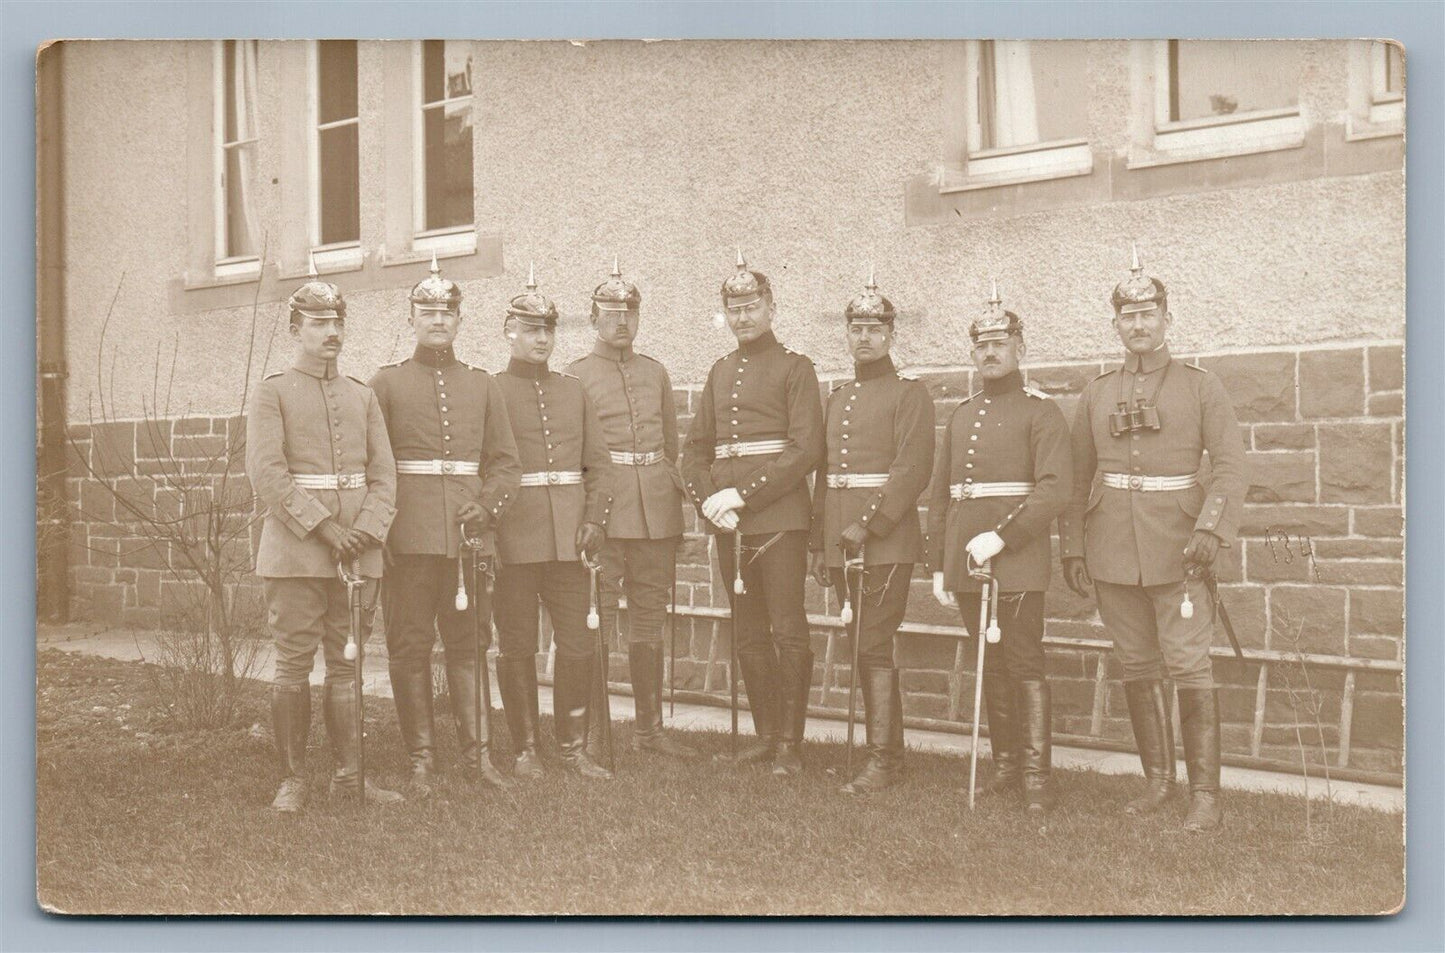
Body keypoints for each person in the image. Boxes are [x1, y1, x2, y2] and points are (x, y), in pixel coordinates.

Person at [1058, 246, 1249, 832]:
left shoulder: (1199, 386)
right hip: (1112, 544)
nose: (1138, 325)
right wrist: (1072, 546)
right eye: (1127, 316)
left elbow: (1232, 466)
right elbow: (1074, 474)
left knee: (1189, 665)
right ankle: (1158, 783)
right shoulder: (1096, 392)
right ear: (1115, 323)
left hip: (1180, 546)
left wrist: (1211, 530)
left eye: (1149, 314)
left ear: (1167, 318)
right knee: (1138, 665)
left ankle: (1206, 795)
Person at [246, 273, 402, 812]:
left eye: (337, 322)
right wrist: (324, 527)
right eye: (318, 323)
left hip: (359, 553)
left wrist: (368, 530)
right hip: (296, 551)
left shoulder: (362, 395)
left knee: (349, 663)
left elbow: (385, 474)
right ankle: (293, 779)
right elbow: (267, 473)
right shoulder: (273, 392)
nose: (331, 332)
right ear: (296, 329)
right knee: (293, 664)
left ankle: (350, 777)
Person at [369, 255, 522, 795]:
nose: (437, 320)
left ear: (460, 321)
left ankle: (479, 758)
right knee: (408, 646)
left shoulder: (482, 385)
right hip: (407, 539)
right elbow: (374, 466)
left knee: (471, 645)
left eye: (447, 312)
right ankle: (421, 761)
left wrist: (487, 507)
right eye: (427, 310)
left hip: (467, 539)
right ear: (410, 318)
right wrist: (380, 530)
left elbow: (505, 462)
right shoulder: (385, 384)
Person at [928, 282, 1071, 814]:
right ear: (972, 352)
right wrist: (941, 568)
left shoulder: (1042, 412)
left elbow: (1055, 488)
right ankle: (1006, 767)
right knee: (990, 661)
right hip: (967, 559)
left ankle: (1036, 776)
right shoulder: (963, 414)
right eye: (981, 345)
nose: (990, 353)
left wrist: (1004, 537)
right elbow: (943, 493)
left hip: (1018, 558)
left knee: (1024, 661)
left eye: (1001, 344)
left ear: (1020, 350)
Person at [681, 252, 824, 776]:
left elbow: (806, 450)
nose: (742, 317)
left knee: (787, 628)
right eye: (733, 309)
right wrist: (708, 502)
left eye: (752, 306)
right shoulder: (720, 373)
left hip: (780, 519)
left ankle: (790, 743)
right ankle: (765, 736)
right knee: (747, 632)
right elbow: (694, 450)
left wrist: (744, 494)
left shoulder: (795, 368)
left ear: (772, 307)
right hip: (730, 525)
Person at [808, 270, 934, 793]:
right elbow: (825, 473)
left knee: (874, 644)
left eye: (874, 328)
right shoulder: (838, 397)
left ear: (891, 334)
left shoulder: (909, 394)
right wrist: (819, 540)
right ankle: (885, 753)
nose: (864, 337)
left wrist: (870, 523)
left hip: (884, 541)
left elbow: (912, 469)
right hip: (841, 540)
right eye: (856, 328)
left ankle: (884, 759)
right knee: (862, 643)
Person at [566, 260, 697, 761]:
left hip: (655, 512)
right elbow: (578, 455)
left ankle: (650, 730)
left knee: (649, 618)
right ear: (594, 317)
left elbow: (667, 445)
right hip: (606, 511)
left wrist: (673, 507)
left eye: (630, 313)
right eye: (611, 312)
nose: (622, 322)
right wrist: (588, 518)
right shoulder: (577, 375)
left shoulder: (655, 373)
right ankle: (598, 731)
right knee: (595, 619)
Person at [492, 265, 616, 781]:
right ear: (509, 332)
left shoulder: (573, 390)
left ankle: (572, 747)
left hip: (570, 539)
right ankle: (525, 749)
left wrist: (594, 520)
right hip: (514, 538)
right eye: (530, 329)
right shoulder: (492, 389)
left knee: (577, 641)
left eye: (548, 330)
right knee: (518, 642)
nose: (541, 339)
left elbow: (600, 466)